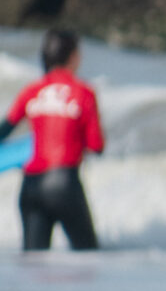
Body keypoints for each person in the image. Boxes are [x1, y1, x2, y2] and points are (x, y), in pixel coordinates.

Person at [6, 26, 104, 253]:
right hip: (64, 183)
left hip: (30, 186)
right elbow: (96, 145)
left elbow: (5, 129)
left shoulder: (32, 91)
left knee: (34, 264)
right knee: (89, 258)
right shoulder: (83, 92)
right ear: (72, 56)